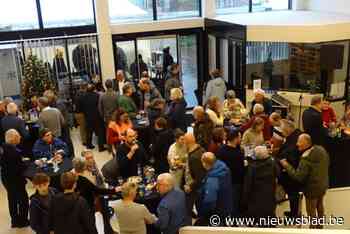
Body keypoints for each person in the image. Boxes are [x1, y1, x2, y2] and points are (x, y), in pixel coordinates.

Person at [280, 134, 329, 229]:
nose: (297, 144)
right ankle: (320, 227)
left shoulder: (305, 158)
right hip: (322, 184)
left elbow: (298, 176)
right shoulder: (321, 150)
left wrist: (286, 165)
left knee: (311, 211)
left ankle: (313, 229)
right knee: (320, 207)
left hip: (312, 189)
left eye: (299, 142)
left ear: (305, 143)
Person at [73, 158, 117, 234]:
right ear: (84, 167)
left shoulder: (72, 176)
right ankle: (108, 231)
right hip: (90, 205)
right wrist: (114, 190)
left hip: (80, 207)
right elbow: (97, 190)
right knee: (96, 222)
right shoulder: (84, 180)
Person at [242, 146, 279, 225]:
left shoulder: (252, 168)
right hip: (269, 197)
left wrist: (244, 199)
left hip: (255, 199)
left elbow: (248, 185)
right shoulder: (272, 164)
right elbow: (278, 174)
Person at [0, 129, 29, 228]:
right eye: (18, 136)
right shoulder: (14, 152)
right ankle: (23, 221)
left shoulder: (3, 148)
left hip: (5, 178)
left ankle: (14, 221)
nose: (20, 137)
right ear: (13, 138)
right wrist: (25, 163)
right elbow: (20, 167)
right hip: (16, 180)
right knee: (23, 200)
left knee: (11, 199)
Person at [196, 152, 233, 226]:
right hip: (226, 205)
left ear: (205, 164)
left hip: (216, 212)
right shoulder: (223, 167)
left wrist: (203, 213)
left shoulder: (212, 179)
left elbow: (210, 201)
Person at [276, 119, 302, 218]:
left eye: (283, 130)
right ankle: (293, 212)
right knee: (292, 193)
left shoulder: (294, 140)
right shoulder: (295, 135)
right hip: (291, 169)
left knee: (293, 193)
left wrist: (281, 160)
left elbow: (290, 155)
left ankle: (294, 215)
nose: (281, 132)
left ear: (288, 129)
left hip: (291, 171)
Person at [216, 127, 244, 216]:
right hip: (235, 182)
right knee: (234, 203)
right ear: (235, 139)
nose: (241, 139)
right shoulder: (237, 154)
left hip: (224, 181)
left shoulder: (221, 150)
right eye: (240, 137)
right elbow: (241, 170)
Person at [183, 133, 206, 223]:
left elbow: (200, 177)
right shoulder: (200, 149)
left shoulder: (194, 157)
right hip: (197, 188)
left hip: (194, 188)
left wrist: (190, 187)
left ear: (187, 142)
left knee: (187, 209)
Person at [79, 84, 106, 151]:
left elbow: (82, 107)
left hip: (88, 117)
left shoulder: (83, 96)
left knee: (89, 132)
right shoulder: (97, 96)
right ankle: (101, 147)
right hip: (97, 116)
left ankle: (89, 145)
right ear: (93, 89)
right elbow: (100, 106)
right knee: (100, 132)